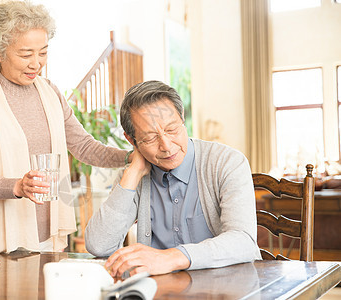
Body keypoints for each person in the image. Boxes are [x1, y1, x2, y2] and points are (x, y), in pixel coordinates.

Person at [0, 1, 130, 255]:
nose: (36, 63)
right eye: (25, 54)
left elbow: (85, 147)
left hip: (47, 234)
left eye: (43, 52)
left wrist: (130, 157)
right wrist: (18, 186)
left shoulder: (50, 92)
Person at [85, 80, 261, 276]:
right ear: (131, 140)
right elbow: (98, 246)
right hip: (161, 290)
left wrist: (170, 258)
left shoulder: (227, 162)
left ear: (182, 119)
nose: (167, 146)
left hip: (226, 288)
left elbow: (243, 241)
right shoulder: (135, 174)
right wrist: (133, 173)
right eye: (150, 138)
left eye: (172, 129)